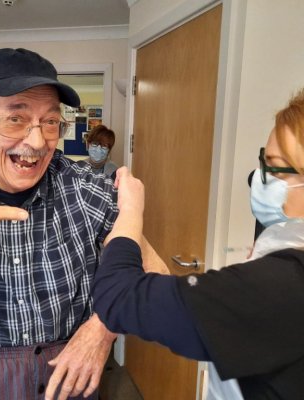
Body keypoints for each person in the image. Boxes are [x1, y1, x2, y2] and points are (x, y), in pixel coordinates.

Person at [0, 47, 166, 400]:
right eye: (15, 118)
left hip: (70, 371)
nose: (37, 141)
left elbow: (157, 280)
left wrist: (102, 330)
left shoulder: (86, 188)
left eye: (50, 121)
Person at [93, 89, 304, 399]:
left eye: (275, 168)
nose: (258, 179)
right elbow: (211, 317)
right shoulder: (278, 268)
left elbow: (118, 296)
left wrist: (130, 213)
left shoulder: (283, 284)